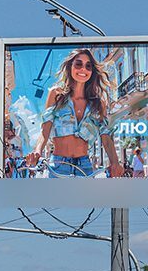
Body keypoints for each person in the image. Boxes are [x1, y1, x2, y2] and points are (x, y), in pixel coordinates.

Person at [25, 48, 123, 178]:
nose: (83, 69)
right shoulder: (56, 95)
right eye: (78, 64)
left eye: (88, 66)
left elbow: (106, 136)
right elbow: (45, 130)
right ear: (70, 66)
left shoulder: (98, 103)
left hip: (85, 166)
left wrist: (115, 162)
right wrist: (37, 151)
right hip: (58, 165)